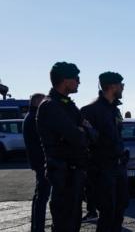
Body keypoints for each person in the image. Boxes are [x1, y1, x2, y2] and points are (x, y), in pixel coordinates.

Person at [36, 62, 91, 232]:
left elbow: (91, 133)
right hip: (63, 174)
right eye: (76, 78)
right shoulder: (51, 105)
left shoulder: (68, 104)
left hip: (73, 173)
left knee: (74, 222)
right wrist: (82, 131)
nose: (79, 82)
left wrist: (83, 131)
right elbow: (77, 137)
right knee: (64, 224)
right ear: (65, 80)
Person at [81, 72, 129, 232]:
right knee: (107, 213)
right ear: (112, 86)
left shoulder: (115, 110)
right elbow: (87, 143)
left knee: (120, 210)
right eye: (121, 84)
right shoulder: (90, 110)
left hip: (119, 167)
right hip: (102, 170)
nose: (123, 87)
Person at [23, 93, 50, 232]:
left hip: (36, 161)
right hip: (41, 161)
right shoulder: (35, 118)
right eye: (44, 101)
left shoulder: (30, 116)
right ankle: (38, 227)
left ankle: (36, 227)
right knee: (42, 196)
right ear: (37, 102)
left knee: (40, 195)